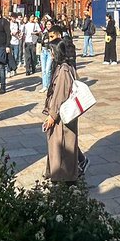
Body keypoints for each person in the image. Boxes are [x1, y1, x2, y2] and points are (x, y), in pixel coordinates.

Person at [42, 24, 88, 182]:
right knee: (64, 146)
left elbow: (59, 96)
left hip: (62, 116)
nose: (51, 55)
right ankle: (65, 175)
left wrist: (52, 116)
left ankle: (63, 178)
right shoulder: (66, 67)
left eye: (52, 52)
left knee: (61, 147)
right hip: (66, 115)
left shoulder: (63, 71)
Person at [40, 17, 55, 91]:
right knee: (43, 70)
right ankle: (44, 86)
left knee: (48, 69)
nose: (48, 25)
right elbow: (40, 41)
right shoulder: (44, 32)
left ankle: (49, 86)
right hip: (43, 51)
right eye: (47, 24)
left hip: (49, 51)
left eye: (49, 24)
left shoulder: (53, 33)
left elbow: (54, 43)